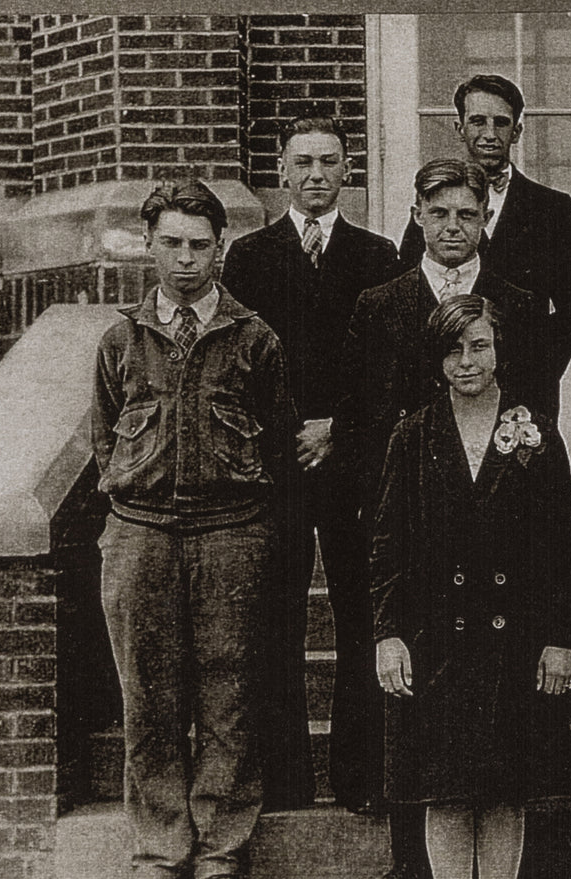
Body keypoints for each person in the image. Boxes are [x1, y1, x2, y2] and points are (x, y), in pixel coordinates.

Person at [334, 158, 547, 879]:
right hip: (418, 519)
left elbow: (534, 410)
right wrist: (388, 504)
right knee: (411, 696)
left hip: (499, 521)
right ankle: (409, 853)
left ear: (486, 218)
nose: (453, 227)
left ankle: (511, 861)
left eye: (467, 214)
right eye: (439, 214)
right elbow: (362, 413)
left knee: (500, 699)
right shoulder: (381, 303)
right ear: (417, 217)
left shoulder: (515, 303)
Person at [90, 179, 295, 879]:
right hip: (140, 531)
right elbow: (104, 438)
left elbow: (278, 438)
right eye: (171, 243)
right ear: (149, 245)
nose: (185, 259)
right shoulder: (121, 340)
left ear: (220, 249)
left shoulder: (254, 339)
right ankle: (158, 855)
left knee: (229, 697)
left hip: (231, 532)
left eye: (199, 246)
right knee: (148, 698)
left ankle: (219, 856)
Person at [372, 294, 571, 879]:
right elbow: (387, 544)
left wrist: (557, 637)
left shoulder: (534, 434)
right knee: (446, 790)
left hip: (512, 638)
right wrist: (388, 633)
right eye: (453, 349)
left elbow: (557, 547)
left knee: (502, 791)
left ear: (500, 351)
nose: (467, 362)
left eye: (480, 346)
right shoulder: (412, 434)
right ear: (436, 358)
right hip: (436, 639)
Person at [222, 114, 399, 815]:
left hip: (353, 465)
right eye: (304, 162)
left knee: (362, 617)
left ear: (348, 170)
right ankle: (285, 779)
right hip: (277, 466)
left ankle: (361, 777)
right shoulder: (249, 257)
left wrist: (338, 431)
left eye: (329, 162)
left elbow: (385, 368)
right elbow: (237, 366)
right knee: (276, 620)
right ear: (283, 171)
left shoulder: (377, 254)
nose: (317, 175)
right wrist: (289, 432)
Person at [398, 74, 571, 418]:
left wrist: (534, 372)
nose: (489, 134)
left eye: (501, 123)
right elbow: (408, 301)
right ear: (459, 128)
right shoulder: (434, 209)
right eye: (477, 121)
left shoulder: (551, 209)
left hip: (521, 396)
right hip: (435, 398)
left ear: (516, 131)